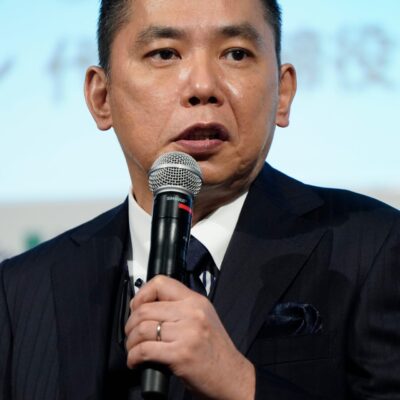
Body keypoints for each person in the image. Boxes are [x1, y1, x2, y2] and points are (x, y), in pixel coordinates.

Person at [1, 0, 399, 399]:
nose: (203, 88)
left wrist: (240, 383)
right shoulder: (21, 291)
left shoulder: (375, 247)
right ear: (101, 97)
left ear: (283, 93)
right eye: (164, 54)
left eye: (236, 54)